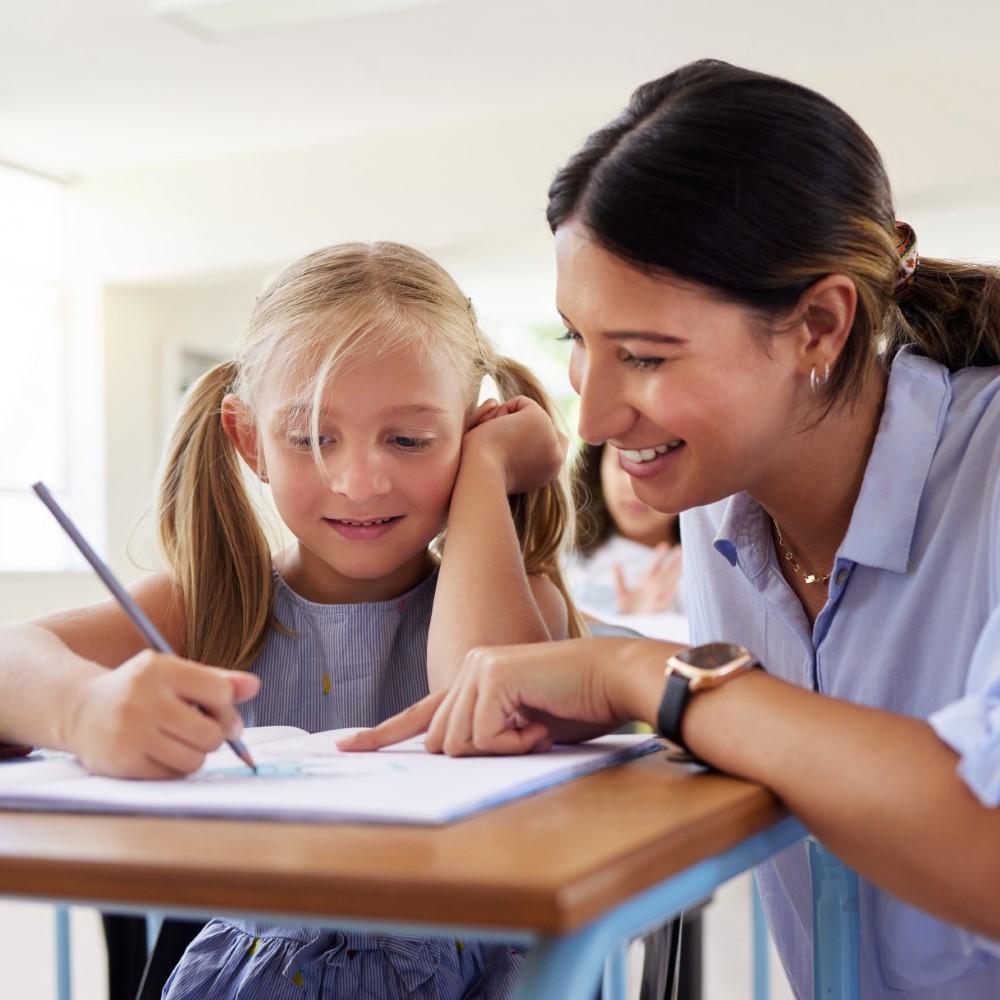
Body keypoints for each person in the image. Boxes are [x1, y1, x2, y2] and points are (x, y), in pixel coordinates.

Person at [340, 61, 1000, 999]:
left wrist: (646, 676)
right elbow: (487, 689)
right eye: (579, 342)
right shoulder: (723, 501)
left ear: (817, 325)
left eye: (645, 357)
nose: (596, 418)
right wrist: (484, 471)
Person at [0, 241, 584, 998]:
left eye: (410, 440)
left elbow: (492, 686)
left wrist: (486, 468)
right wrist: (84, 709)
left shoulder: (515, 603)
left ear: (469, 430)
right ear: (250, 442)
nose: (359, 480)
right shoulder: (210, 606)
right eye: (309, 438)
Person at [568, 440, 683, 619]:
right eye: (622, 463)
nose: (632, 486)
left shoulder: (702, 574)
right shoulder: (560, 557)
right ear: (598, 465)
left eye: (656, 468)